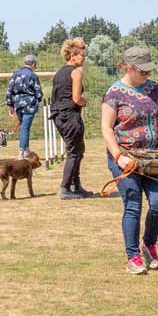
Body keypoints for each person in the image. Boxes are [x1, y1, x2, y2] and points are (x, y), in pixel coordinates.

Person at [101, 46, 158, 274]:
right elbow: (106, 128)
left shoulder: (155, 89)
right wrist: (118, 156)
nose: (147, 75)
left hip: (154, 157)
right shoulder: (114, 93)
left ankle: (149, 243)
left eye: (148, 70)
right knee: (133, 204)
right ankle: (133, 256)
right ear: (130, 67)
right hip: (126, 158)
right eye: (142, 71)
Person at [50, 37, 93, 199]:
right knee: (74, 152)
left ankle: (76, 185)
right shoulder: (76, 72)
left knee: (78, 150)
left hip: (58, 115)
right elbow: (76, 98)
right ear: (72, 56)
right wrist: (84, 102)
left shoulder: (59, 73)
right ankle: (66, 187)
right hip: (70, 115)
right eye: (82, 55)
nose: (84, 58)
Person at [7, 54, 44, 160]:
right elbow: (38, 92)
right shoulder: (33, 76)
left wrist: (10, 105)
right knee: (25, 128)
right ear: (33, 64)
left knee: (24, 126)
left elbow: (9, 90)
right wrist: (38, 100)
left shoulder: (15, 74)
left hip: (18, 104)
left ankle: (26, 149)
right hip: (30, 104)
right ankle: (21, 153)